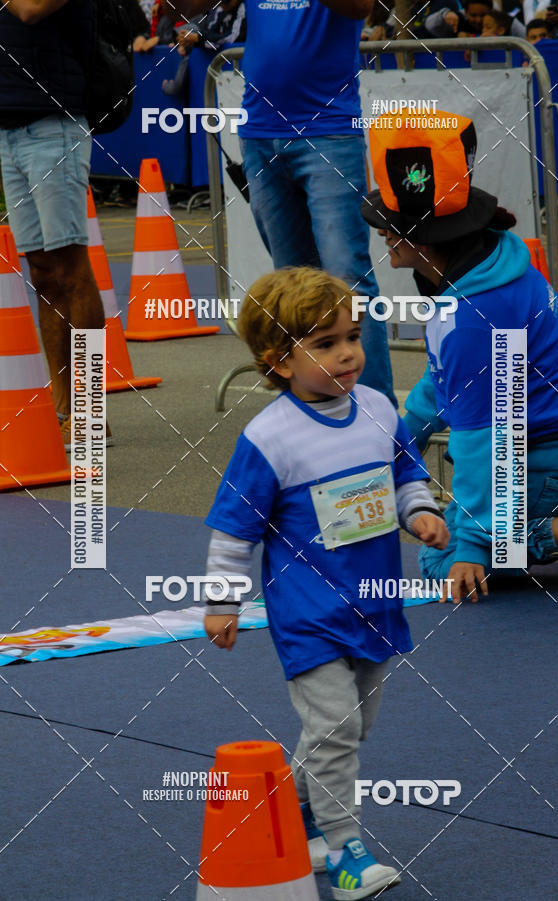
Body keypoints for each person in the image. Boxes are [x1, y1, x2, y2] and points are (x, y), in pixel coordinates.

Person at [202, 267, 449, 899]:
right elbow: (235, 532)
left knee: (349, 728)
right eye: (324, 343)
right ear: (278, 362)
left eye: (353, 336)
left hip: (374, 607)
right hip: (307, 613)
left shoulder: (377, 408)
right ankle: (345, 853)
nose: (347, 354)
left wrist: (418, 511)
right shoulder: (269, 438)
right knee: (336, 728)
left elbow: (404, 475)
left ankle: (301, 821)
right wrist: (222, 601)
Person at [360, 110, 558, 603]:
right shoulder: (491, 264)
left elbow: (490, 436)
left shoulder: (469, 314)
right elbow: (445, 380)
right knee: (460, 530)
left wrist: (472, 542)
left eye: (390, 225)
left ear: (423, 237)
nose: (382, 233)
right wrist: (402, 447)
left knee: (441, 560)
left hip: (552, 460)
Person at [167, 0, 397, 407]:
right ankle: (312, 403)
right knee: (292, 281)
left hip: (328, 130)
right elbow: (190, 6)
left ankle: (375, 415)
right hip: (260, 130)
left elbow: (362, 7)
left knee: (349, 275)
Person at [0, 0, 111, 449]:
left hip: (54, 126)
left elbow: (30, 9)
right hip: (9, 127)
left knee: (70, 271)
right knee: (43, 275)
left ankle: (91, 412)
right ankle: (62, 403)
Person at [424, 0, 493, 36]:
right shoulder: (456, 22)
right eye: (473, 15)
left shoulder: (498, 22)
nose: (478, 20)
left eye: (483, 15)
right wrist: (444, 14)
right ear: (466, 12)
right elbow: (429, 25)